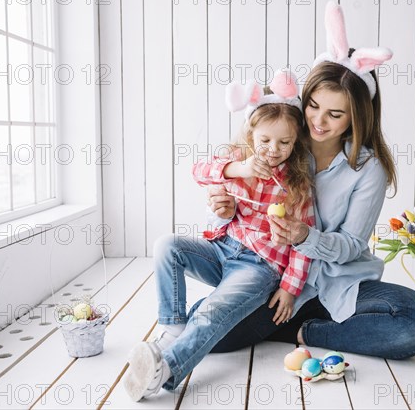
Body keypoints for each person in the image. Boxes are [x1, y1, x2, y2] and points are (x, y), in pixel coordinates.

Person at [201, 1, 415, 359]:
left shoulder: (367, 168)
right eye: (313, 105)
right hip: (275, 279)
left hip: (339, 286)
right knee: (206, 331)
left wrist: (304, 236)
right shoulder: (278, 140)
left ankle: (306, 332)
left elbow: (349, 245)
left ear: (357, 116)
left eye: (335, 114)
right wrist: (223, 209)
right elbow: (233, 211)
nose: (318, 121)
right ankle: (287, 321)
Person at [123, 70, 315, 401]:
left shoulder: (297, 185)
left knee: (212, 311)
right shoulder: (238, 160)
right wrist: (236, 170)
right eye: (265, 141)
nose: (273, 150)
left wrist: (289, 288)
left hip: (258, 267)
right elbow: (199, 171)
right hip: (222, 250)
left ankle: (166, 370)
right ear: (251, 132)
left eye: (284, 142)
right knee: (167, 246)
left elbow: (302, 246)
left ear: (296, 140)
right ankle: (172, 327)